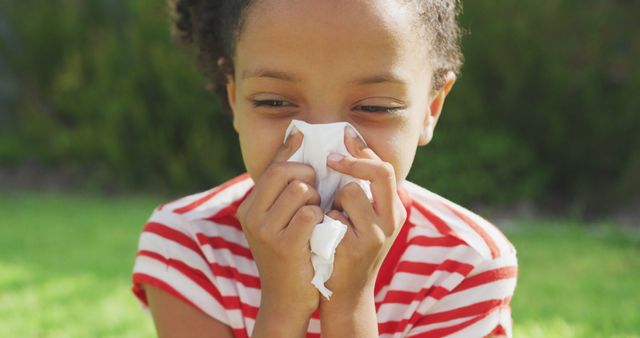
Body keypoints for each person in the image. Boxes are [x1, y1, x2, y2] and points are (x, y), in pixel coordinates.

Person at [130, 0, 519, 337]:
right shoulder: (187, 248)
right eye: (273, 102)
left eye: (374, 107)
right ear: (234, 99)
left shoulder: (465, 265)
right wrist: (283, 309)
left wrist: (349, 306)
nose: (322, 145)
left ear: (430, 109)